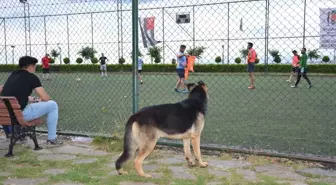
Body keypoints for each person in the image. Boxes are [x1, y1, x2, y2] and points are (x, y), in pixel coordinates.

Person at [1, 56, 63, 145]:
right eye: (35, 66)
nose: (35, 68)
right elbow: (46, 98)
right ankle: (52, 139)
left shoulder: (13, 75)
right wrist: (42, 99)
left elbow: (16, 94)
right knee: (52, 105)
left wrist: (34, 99)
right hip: (19, 116)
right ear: (30, 66)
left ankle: (17, 135)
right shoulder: (31, 77)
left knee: (31, 104)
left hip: (4, 115)